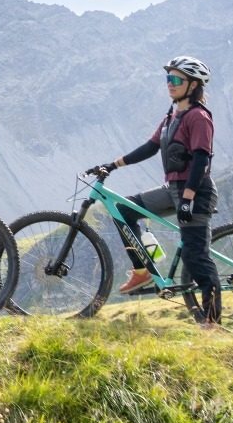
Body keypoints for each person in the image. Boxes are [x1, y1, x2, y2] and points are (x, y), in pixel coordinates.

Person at [91, 55, 221, 328]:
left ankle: (212, 322)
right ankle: (142, 271)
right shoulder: (171, 117)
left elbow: (201, 159)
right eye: (168, 78)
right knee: (123, 210)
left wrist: (188, 198)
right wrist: (112, 165)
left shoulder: (199, 117)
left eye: (176, 79)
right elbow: (150, 147)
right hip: (172, 189)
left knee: (195, 257)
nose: (170, 84)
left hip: (196, 192)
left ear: (193, 85)